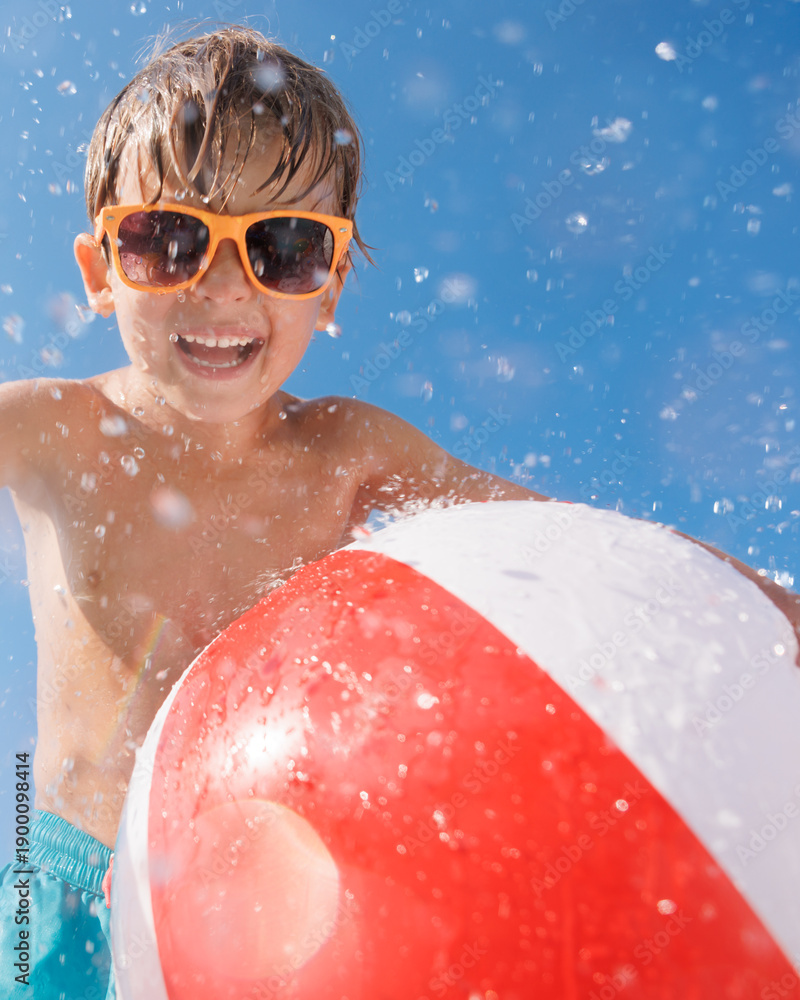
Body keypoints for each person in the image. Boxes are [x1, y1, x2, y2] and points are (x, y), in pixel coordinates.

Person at [0, 23, 797, 1000]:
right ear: (96, 269)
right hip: (63, 883)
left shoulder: (345, 451)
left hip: (259, 889)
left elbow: (567, 545)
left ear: (329, 285)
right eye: (167, 240)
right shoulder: (50, 429)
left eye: (281, 248)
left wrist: (762, 600)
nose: (220, 286)